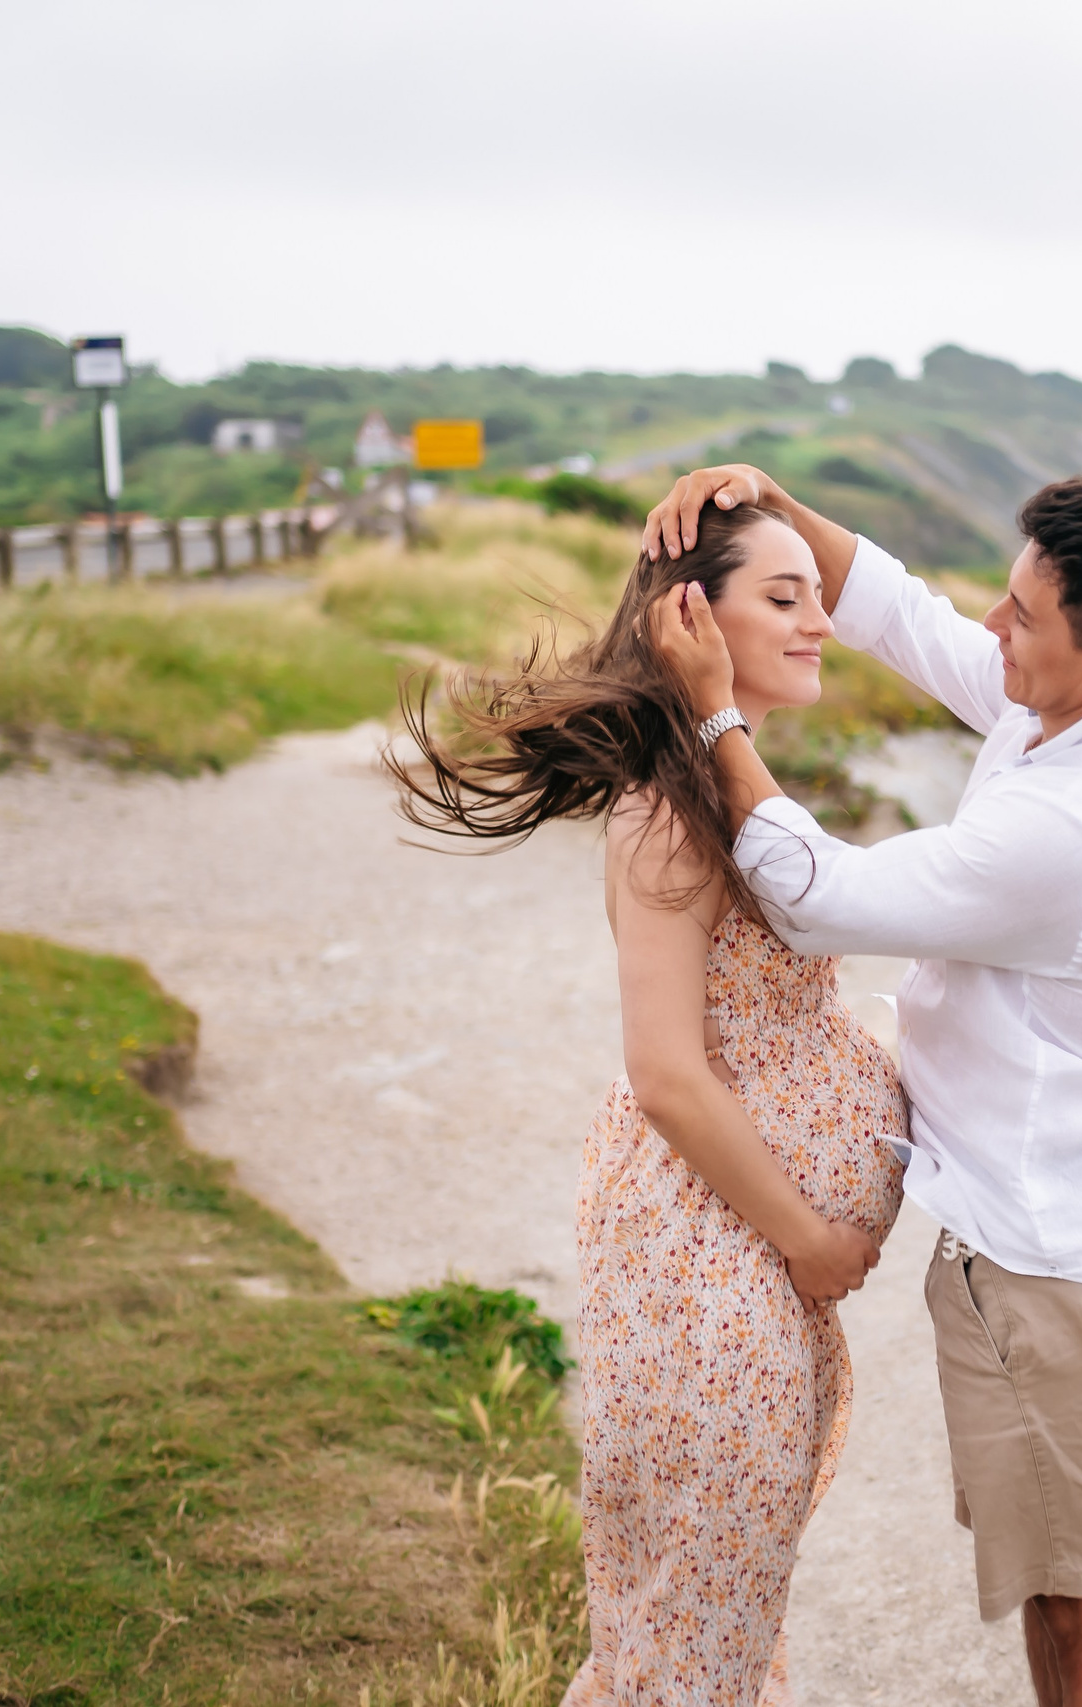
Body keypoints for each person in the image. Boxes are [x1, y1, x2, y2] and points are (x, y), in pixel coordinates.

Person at [646, 464, 1082, 1707]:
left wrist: (711, 716)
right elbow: (908, 619)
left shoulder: (1077, 825)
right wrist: (775, 502)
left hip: (1049, 1261)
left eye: (1021, 617)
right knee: (1058, 1591)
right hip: (1036, 1243)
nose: (993, 629)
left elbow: (825, 899)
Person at [391, 502, 906, 1705]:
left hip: (739, 1263)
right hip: (706, 1264)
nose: (819, 621)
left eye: (812, 595)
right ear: (692, 616)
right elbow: (668, 1072)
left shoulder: (726, 787)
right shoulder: (669, 820)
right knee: (690, 1632)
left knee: (708, 1621)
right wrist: (815, 1239)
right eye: (783, 599)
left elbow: (780, 1016)